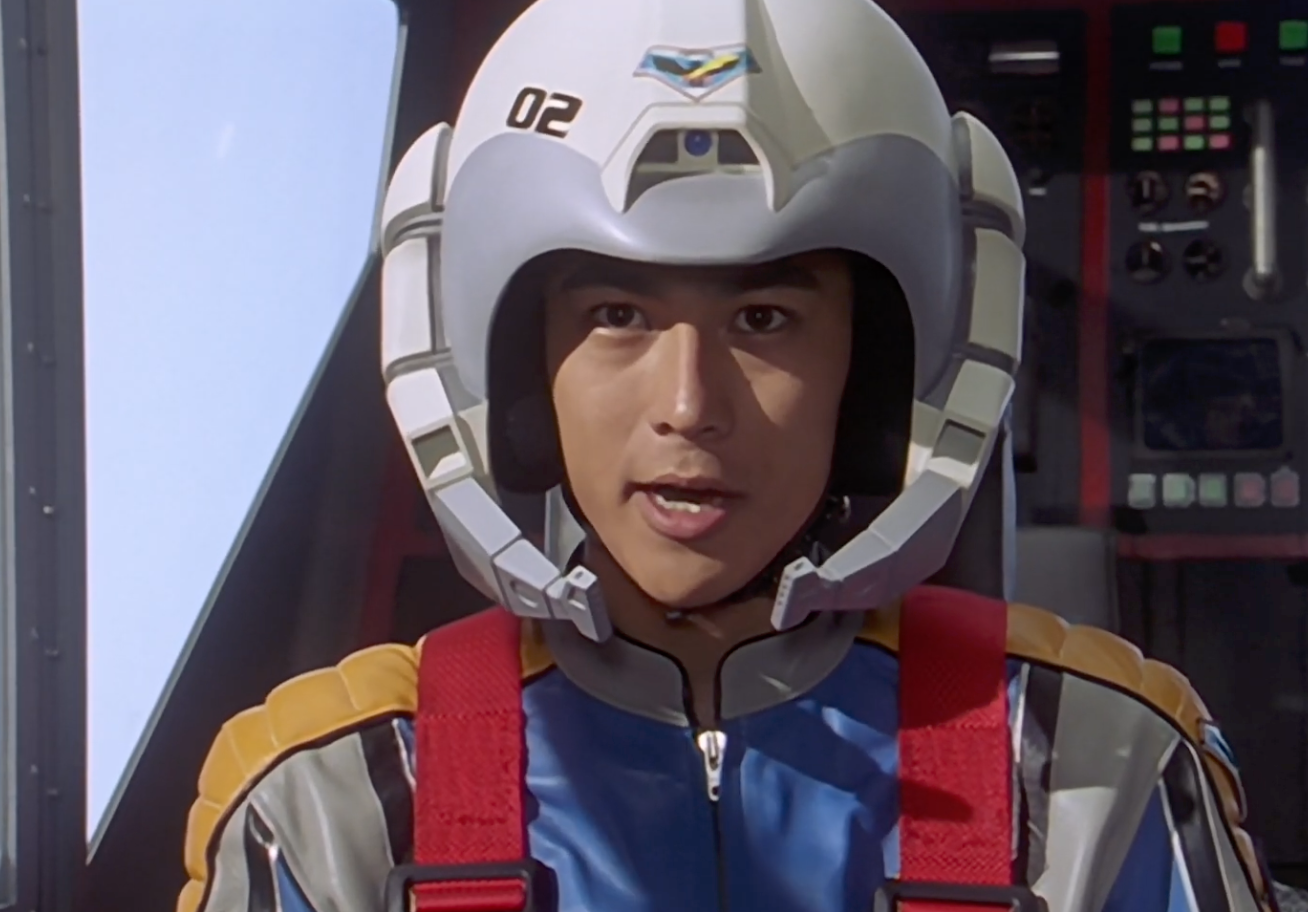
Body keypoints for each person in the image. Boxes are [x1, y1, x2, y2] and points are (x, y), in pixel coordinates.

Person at [175, 0, 1275, 910]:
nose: (689, 407)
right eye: (616, 314)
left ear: (873, 377)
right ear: (519, 369)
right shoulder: (340, 805)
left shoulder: (1092, 775)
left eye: (764, 320)